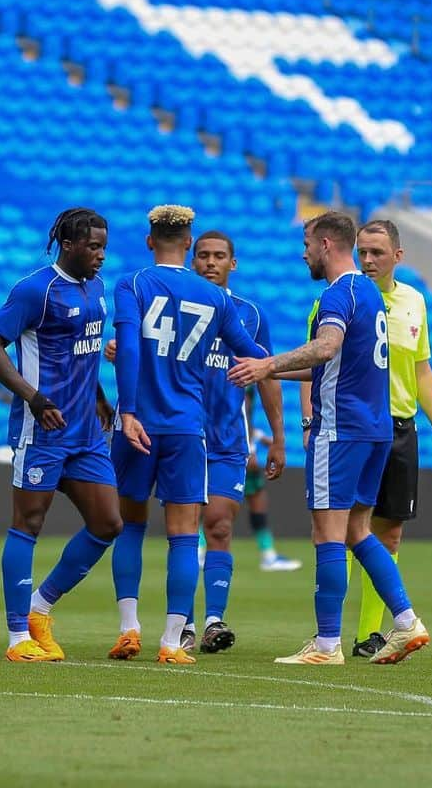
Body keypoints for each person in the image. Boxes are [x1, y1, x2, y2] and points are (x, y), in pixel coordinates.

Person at [229, 212, 430, 666]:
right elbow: (331, 365)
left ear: (324, 244)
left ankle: (326, 646)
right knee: (359, 531)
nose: (303, 254)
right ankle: (406, 621)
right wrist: (269, 366)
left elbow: (325, 348)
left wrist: (266, 366)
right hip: (376, 430)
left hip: (340, 432)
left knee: (327, 534)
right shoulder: (371, 295)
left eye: (306, 244)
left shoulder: (337, 295)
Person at [107, 205, 268, 665]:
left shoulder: (132, 284)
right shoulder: (216, 300)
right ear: (189, 244)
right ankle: (172, 641)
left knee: (131, 526)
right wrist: (304, 363)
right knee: (183, 534)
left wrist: (130, 411)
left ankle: (128, 628)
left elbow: (130, 349)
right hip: (185, 428)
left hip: (137, 426)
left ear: (148, 240)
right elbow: (252, 354)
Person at [0, 207, 122, 663]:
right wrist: (33, 398)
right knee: (29, 524)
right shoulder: (36, 290)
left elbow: (83, 353)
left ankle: (40, 607)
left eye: (104, 246)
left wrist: (99, 396)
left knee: (107, 524)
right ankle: (18, 638)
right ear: (69, 244)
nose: (101, 255)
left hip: (85, 432)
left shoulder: (96, 289)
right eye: (93, 246)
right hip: (42, 429)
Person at [348, 219, 432, 657]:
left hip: (400, 429)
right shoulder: (346, 296)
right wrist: (308, 418)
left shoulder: (414, 302)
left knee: (388, 535)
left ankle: (368, 634)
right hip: (355, 427)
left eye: (377, 252)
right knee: (347, 530)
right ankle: (331, 633)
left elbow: (421, 369)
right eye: (363, 252)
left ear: (398, 256)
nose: (368, 260)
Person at [180, 230, 287, 654]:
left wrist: (278, 437)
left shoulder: (251, 316)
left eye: (219, 256)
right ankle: (182, 623)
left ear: (233, 263)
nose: (210, 262)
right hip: (183, 437)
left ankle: (212, 621)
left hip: (227, 440)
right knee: (185, 532)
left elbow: (268, 375)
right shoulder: (178, 309)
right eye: (202, 255)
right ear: (192, 262)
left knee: (219, 525)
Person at [242, 388, 302, 572]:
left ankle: (268, 554)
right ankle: (268, 555)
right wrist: (250, 448)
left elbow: (244, 413)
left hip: (236, 444)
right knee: (220, 505)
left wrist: (258, 436)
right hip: (234, 450)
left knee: (255, 500)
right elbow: (240, 411)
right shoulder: (239, 375)